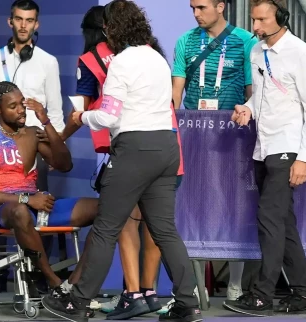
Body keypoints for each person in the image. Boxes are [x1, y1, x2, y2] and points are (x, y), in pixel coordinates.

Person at [41, 1, 202, 321]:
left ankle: (79, 302)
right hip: (167, 148)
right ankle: (187, 303)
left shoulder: (122, 63)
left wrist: (83, 116)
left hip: (134, 149)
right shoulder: (156, 57)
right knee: (165, 231)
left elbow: (109, 116)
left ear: (112, 29)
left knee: (105, 229)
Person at [0, 81, 106, 313]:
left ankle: (72, 284)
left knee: (107, 210)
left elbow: (64, 164)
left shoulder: (33, 133)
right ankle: (53, 283)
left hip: (38, 206)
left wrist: (46, 122)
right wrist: (26, 199)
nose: (21, 110)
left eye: (21, 103)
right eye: (12, 106)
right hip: (6, 209)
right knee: (21, 212)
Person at [223, 0, 306, 317]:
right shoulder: (256, 51)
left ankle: (262, 295)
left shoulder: (302, 54)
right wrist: (247, 109)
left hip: (287, 147)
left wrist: (304, 157)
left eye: (262, 20)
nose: (256, 27)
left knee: (268, 221)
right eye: (254, 20)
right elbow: (263, 94)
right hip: (262, 148)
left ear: (281, 18)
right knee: (284, 224)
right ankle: (304, 294)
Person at [0, 0, 66, 293]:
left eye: (30, 20)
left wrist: (54, 144)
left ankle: (37, 276)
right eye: (19, 19)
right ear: (9, 22)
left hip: (35, 146)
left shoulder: (48, 62)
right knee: (1, 204)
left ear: (36, 24)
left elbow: (57, 111)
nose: (24, 25)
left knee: (39, 207)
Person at [172, 0, 258, 301]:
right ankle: (194, 285)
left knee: (234, 207)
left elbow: (251, 94)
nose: (196, 13)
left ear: (221, 6)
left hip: (232, 137)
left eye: (202, 7)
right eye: (192, 7)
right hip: (193, 138)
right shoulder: (184, 41)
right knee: (191, 208)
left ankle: (234, 285)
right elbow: (176, 94)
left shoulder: (246, 41)